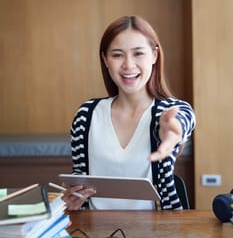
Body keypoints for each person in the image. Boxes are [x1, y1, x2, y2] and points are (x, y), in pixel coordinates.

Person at [62, 15, 196, 211]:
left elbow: (182, 120)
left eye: (138, 54)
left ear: (154, 56)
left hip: (159, 236)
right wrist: (74, 199)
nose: (128, 65)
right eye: (117, 55)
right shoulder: (87, 115)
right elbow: (81, 181)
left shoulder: (169, 111)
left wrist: (172, 134)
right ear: (105, 60)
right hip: (96, 237)